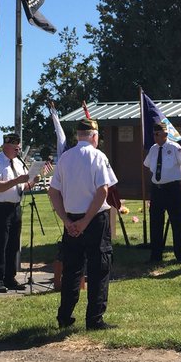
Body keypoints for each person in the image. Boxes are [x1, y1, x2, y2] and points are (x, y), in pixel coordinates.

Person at [48, 119, 117, 330]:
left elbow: (53, 192)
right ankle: (94, 319)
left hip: (71, 218)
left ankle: (64, 316)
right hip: (94, 219)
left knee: (71, 271)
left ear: (78, 135)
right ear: (94, 136)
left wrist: (67, 221)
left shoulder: (65, 157)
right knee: (98, 269)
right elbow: (103, 191)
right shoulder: (98, 156)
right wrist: (86, 221)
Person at [0, 132, 31, 293]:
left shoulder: (18, 163)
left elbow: (20, 186)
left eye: (19, 147)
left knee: (13, 245)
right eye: (15, 147)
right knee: (0, 245)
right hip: (0, 208)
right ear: (6, 146)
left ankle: (10, 278)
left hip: (15, 207)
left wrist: (31, 182)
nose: (18, 150)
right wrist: (17, 180)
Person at [143, 122, 181, 264]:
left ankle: (180, 256)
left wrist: (180, 180)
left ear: (165, 135)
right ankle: (156, 255)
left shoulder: (174, 147)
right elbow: (147, 166)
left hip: (172, 189)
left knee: (177, 223)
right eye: (154, 134)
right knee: (155, 223)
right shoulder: (153, 149)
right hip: (157, 189)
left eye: (157, 134)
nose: (155, 137)